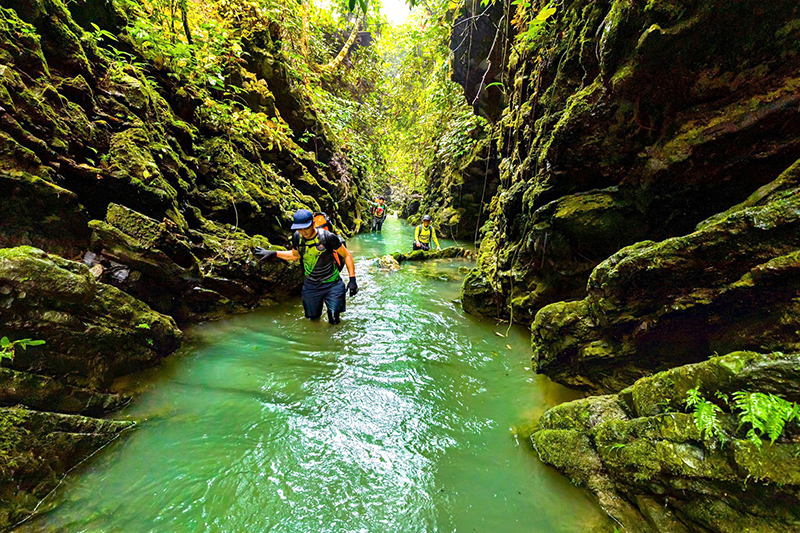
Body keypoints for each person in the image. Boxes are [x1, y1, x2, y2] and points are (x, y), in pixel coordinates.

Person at [254, 209, 357, 325]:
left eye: (306, 228)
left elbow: (346, 255)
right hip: (311, 285)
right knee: (313, 319)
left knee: (334, 319)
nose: (304, 232)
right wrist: (274, 253)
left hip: (333, 284)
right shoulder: (297, 237)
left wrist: (352, 279)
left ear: (313, 224)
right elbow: (295, 255)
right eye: (300, 228)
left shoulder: (328, 237)